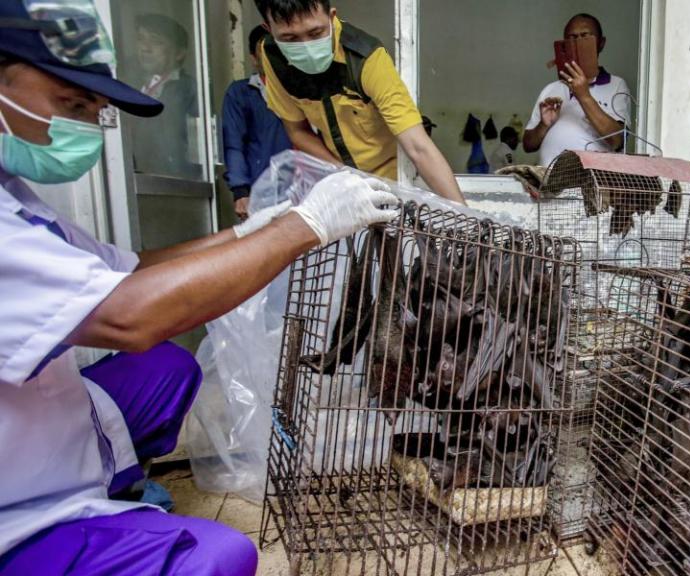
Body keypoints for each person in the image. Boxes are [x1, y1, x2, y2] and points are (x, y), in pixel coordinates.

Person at [0, 2, 399, 574]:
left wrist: (245, 233)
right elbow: (127, 317)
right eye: (71, 103)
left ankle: (115, 486)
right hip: (14, 502)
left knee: (169, 368)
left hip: (43, 420)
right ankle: (78, 535)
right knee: (217, 557)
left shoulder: (17, 197)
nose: (87, 124)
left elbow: (130, 268)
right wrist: (302, 227)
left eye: (94, 108)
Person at [254, 0, 465, 203]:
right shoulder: (272, 57)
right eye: (290, 38)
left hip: (398, 182)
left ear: (331, 16)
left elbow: (418, 147)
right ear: (269, 28)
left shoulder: (366, 58)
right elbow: (297, 131)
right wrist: (343, 175)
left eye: (315, 33)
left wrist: (467, 220)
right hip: (343, 182)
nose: (306, 46)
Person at [523, 13, 632, 167]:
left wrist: (584, 95)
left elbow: (617, 141)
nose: (578, 43)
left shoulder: (617, 85)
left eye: (585, 36)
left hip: (589, 186)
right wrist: (544, 125)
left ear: (601, 43)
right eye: (572, 38)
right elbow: (528, 145)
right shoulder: (551, 89)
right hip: (548, 183)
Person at [223, 27, 293, 220]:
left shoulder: (308, 92)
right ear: (254, 58)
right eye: (266, 52)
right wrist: (240, 191)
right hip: (260, 192)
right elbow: (233, 144)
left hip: (307, 189)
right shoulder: (241, 93)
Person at [131, 13, 201, 179]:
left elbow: (197, 147)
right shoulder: (130, 83)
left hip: (175, 183)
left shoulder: (188, 89)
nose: (145, 48)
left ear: (179, 53)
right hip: (139, 181)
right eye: (141, 39)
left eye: (156, 42)